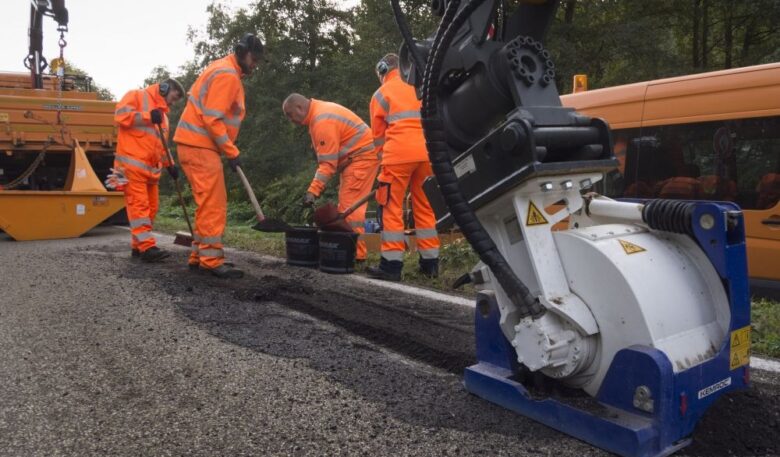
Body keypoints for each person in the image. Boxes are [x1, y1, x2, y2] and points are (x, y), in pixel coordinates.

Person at [173, 33, 264, 279]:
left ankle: (199, 255)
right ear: (242, 52)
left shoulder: (218, 67)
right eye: (254, 58)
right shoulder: (227, 75)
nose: (255, 64)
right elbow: (212, 118)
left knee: (206, 203)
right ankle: (211, 260)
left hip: (194, 145)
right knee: (214, 205)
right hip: (200, 146)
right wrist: (231, 152)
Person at [366, 53, 440, 281]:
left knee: (390, 207)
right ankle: (430, 266)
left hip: (397, 156)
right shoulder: (420, 87)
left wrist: (383, 161)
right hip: (427, 154)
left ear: (382, 70)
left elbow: (378, 137)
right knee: (425, 207)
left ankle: (391, 266)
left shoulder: (381, 94)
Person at [282, 93, 379, 261]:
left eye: (290, 115)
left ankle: (356, 254)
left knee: (350, 208)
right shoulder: (319, 115)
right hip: (358, 159)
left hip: (362, 159)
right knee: (347, 204)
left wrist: (312, 192)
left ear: (299, 107)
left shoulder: (322, 121)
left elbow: (327, 165)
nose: (291, 120)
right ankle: (352, 250)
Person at [113, 78, 185, 262]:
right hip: (130, 167)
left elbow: (161, 145)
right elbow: (120, 116)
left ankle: (138, 246)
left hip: (151, 171)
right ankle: (147, 248)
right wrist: (146, 116)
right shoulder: (136, 96)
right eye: (174, 97)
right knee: (140, 206)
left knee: (151, 208)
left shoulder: (164, 118)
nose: (173, 103)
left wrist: (170, 165)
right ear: (164, 88)